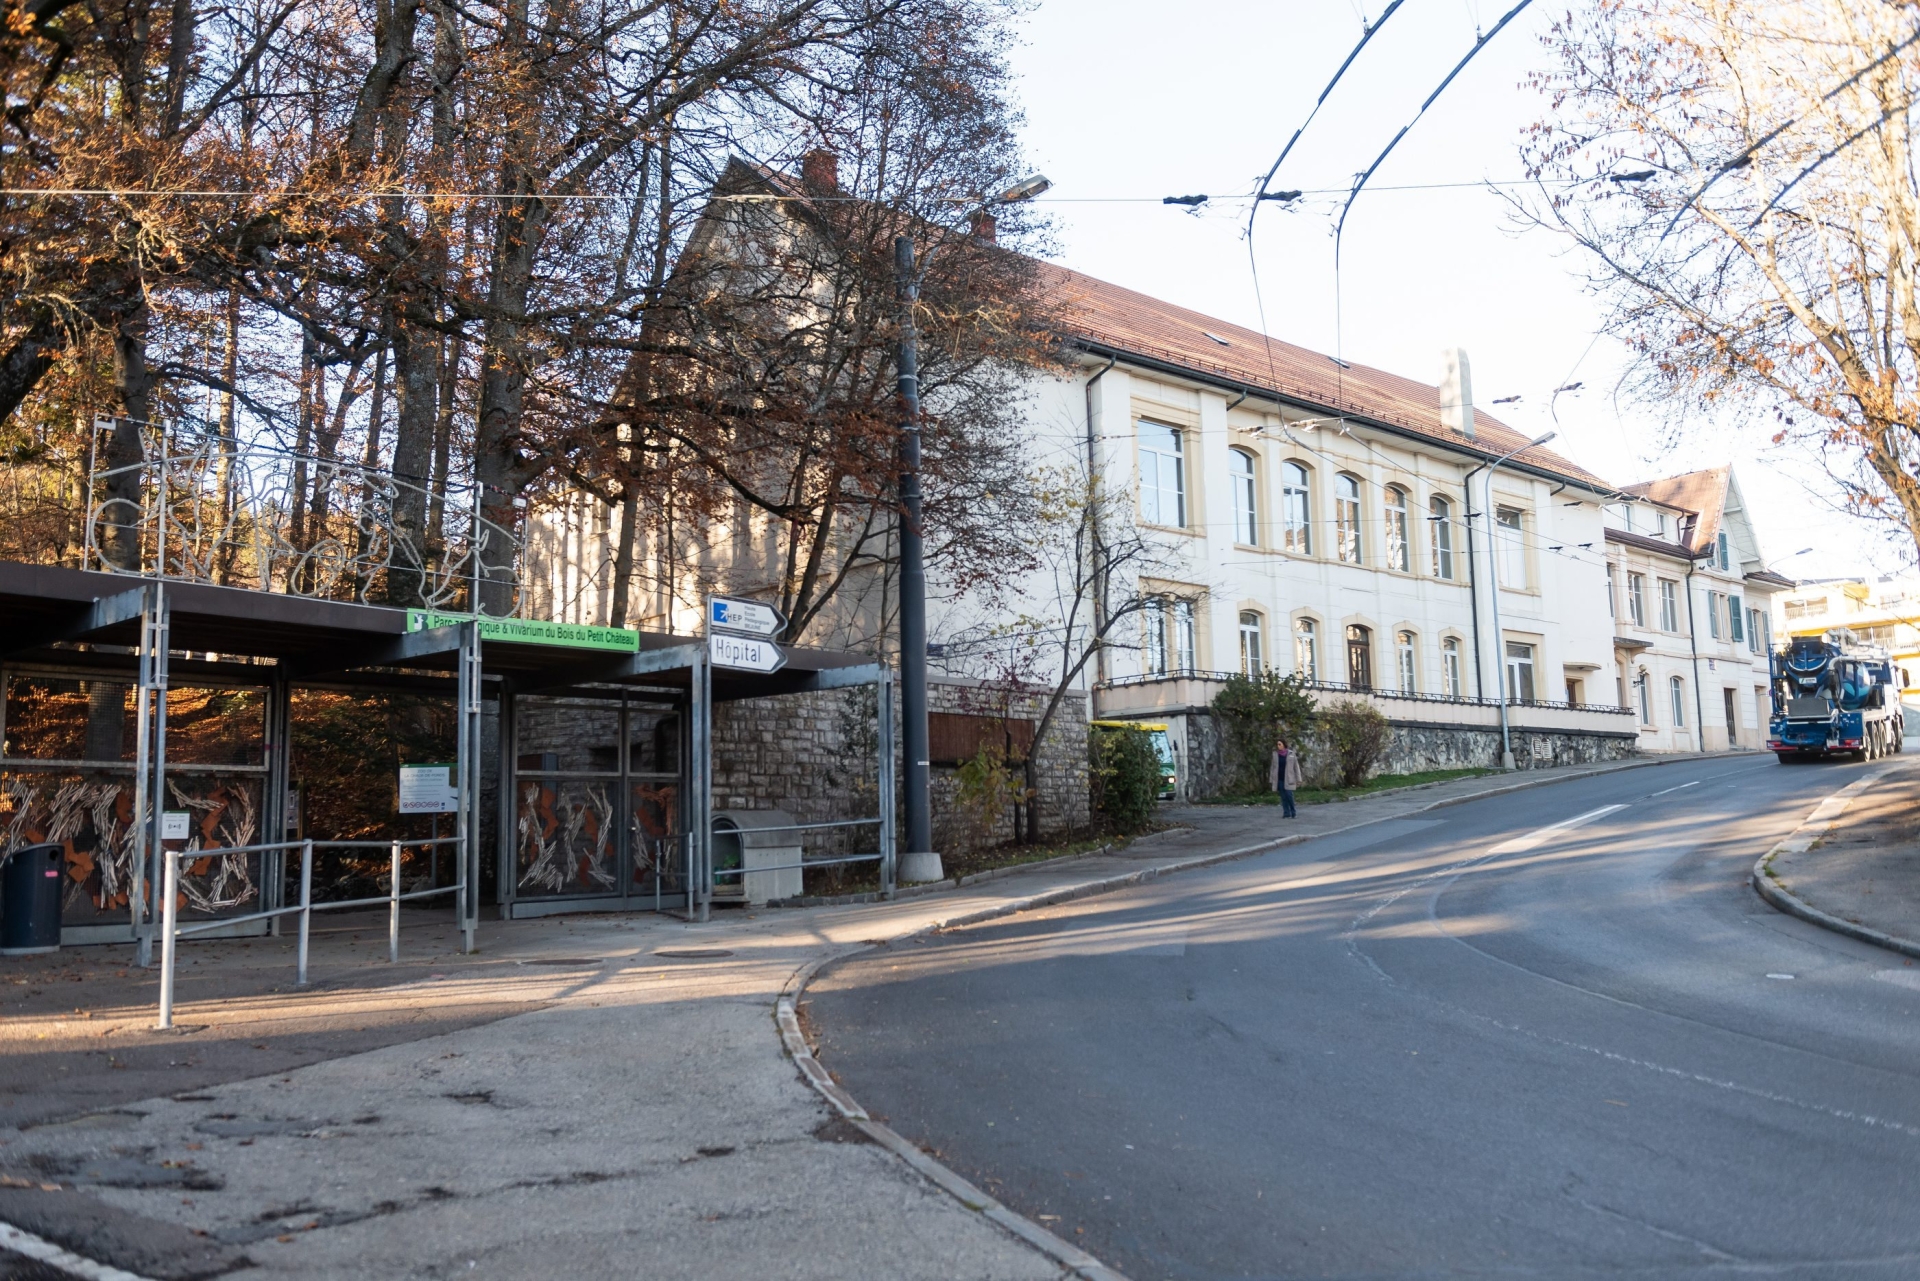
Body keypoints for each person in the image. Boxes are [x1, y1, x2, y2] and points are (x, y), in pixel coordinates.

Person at [1269, 735, 1300, 819]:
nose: (1278, 746)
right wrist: (1272, 779)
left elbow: (1296, 767)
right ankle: (1286, 813)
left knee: (1289, 796)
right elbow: (1273, 767)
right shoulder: (1275, 755)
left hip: (1289, 779)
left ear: (1283, 744)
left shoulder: (1291, 754)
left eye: (1279, 744)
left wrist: (1298, 779)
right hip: (1279, 778)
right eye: (1277, 744)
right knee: (1283, 797)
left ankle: (1293, 812)